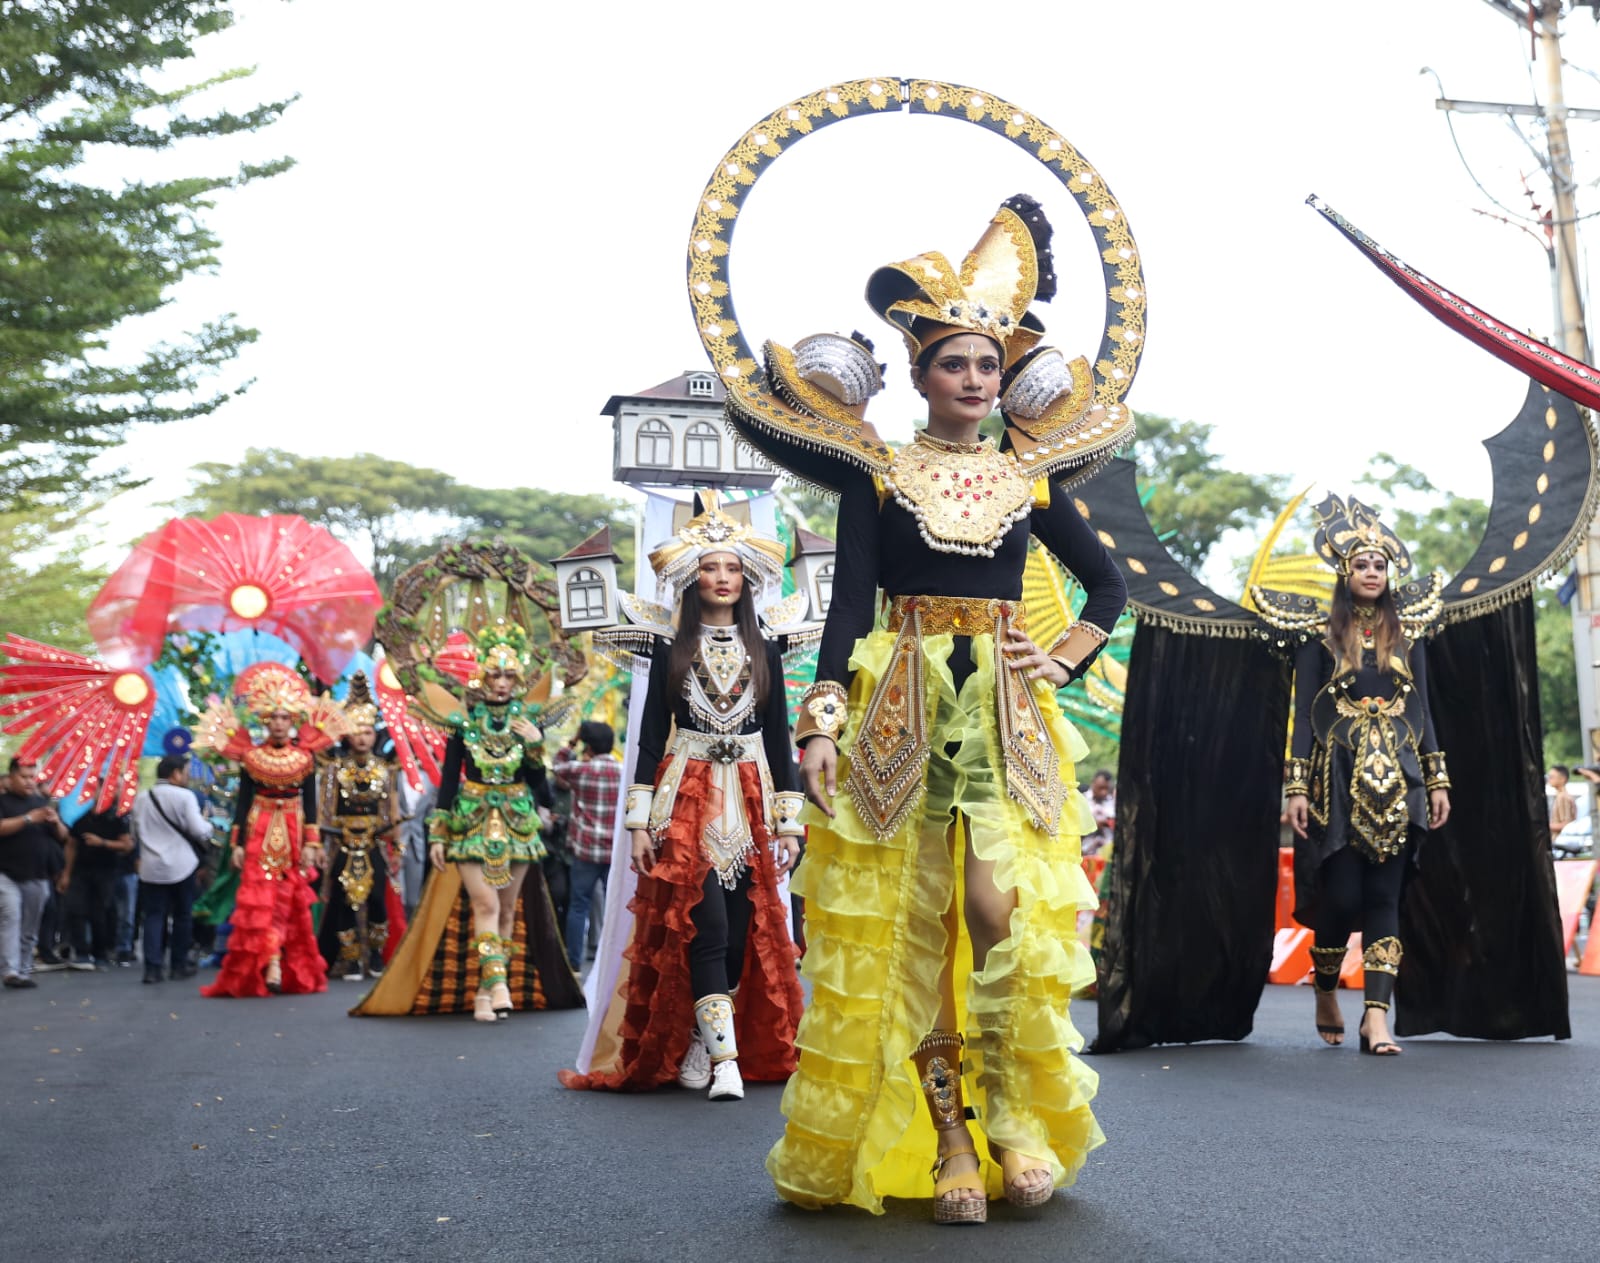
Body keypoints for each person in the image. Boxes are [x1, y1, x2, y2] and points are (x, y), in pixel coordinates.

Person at [734, 198, 1128, 1220]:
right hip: (899, 704)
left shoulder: (1030, 481)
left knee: (999, 914)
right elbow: (847, 606)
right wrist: (818, 722)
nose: (971, 380)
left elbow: (1109, 588)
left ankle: (1009, 1118)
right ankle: (949, 1134)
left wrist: (1062, 657)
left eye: (986, 366)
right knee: (917, 924)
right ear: (918, 376)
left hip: (1002, 713)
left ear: (1003, 378)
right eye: (953, 364)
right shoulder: (878, 476)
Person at [560, 497, 805, 1101]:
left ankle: (702, 1035)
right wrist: (639, 825)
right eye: (710, 568)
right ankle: (726, 1062)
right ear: (691, 578)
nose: (722, 578)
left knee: (745, 925)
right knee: (706, 926)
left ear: (746, 579)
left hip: (748, 800)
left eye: (732, 569)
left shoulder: (765, 649)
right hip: (685, 795)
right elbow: (647, 742)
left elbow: (779, 743)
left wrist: (790, 824)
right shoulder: (668, 649)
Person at [1281, 495, 1451, 1058]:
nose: (1372, 572)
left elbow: (1421, 710)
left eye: (1380, 565)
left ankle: (1377, 1019)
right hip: (1337, 782)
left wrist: (1437, 779)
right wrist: (1296, 787)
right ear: (1343, 572)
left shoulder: (1409, 635)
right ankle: (1326, 989)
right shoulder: (1320, 638)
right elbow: (1305, 713)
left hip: (1400, 781)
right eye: (1361, 565)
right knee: (1341, 897)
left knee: (1385, 896)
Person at [354, 619, 583, 1024]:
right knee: (485, 902)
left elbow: (542, 792)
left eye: (509, 674)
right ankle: (499, 984)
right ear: (482, 676)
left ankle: (484, 991)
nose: (501, 682)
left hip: (517, 822)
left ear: (518, 678)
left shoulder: (528, 723)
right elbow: (446, 783)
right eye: (494, 673)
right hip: (471, 820)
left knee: (509, 911)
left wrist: (534, 747)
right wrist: (439, 833)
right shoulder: (463, 722)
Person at [195, 662, 348, 998]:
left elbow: (310, 804)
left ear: (292, 720)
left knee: (286, 896)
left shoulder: (305, 758)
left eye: (285, 718)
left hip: (293, 829)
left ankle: (278, 961)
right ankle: (271, 961)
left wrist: (312, 842)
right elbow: (242, 803)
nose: (279, 724)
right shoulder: (251, 757)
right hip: (259, 830)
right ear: (265, 720)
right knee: (259, 899)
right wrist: (236, 843)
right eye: (274, 717)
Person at [316, 672, 404, 982]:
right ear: (347, 736)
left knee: (377, 897)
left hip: (373, 841)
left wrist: (396, 843)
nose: (363, 738)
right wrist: (322, 845)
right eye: (357, 732)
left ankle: (376, 954)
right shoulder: (334, 769)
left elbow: (390, 809)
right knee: (342, 898)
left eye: (367, 731)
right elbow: (325, 809)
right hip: (341, 840)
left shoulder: (385, 769)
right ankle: (350, 960)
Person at [130, 756, 213, 984]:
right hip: (182, 865)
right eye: (185, 772)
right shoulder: (185, 796)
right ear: (175, 773)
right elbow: (199, 831)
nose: (187, 776)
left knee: (153, 916)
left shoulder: (141, 798)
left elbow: (135, 833)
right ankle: (178, 965)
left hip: (151, 867)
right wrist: (208, 824)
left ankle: (152, 968)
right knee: (182, 916)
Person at [551, 720, 621, 974]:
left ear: (587, 745)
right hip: (614, 851)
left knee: (578, 906)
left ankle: (574, 964)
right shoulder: (623, 772)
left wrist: (570, 742)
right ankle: (612, 963)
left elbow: (556, 765)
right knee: (615, 906)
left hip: (586, 850)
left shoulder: (580, 770)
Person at [0, 758, 68, 989]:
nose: (30, 782)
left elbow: (63, 837)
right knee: (11, 916)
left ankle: (23, 968)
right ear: (10, 778)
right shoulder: (3, 801)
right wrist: (29, 819)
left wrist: (56, 821)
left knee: (30, 925)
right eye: (24, 777)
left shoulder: (42, 803)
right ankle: (10, 970)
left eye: (32, 777)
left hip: (38, 875)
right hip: (6, 874)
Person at [61, 808, 134, 970]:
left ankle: (101, 954)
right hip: (81, 871)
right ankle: (81, 953)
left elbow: (127, 845)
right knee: (77, 910)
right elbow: (71, 845)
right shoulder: (82, 818)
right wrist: (66, 873)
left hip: (106, 871)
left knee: (100, 912)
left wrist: (102, 843)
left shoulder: (116, 819)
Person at [1084, 770, 1116, 858]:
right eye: (1101, 788)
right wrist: (1095, 825)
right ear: (1093, 783)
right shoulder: (1083, 800)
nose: (1104, 792)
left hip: (1108, 856)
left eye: (1107, 789)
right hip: (1086, 854)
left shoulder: (1113, 802)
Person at [1548, 765, 1578, 837]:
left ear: (1562, 779)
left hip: (1561, 841)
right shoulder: (1560, 796)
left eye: (1552, 777)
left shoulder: (1563, 797)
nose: (1549, 779)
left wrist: (1545, 826)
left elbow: (1566, 824)